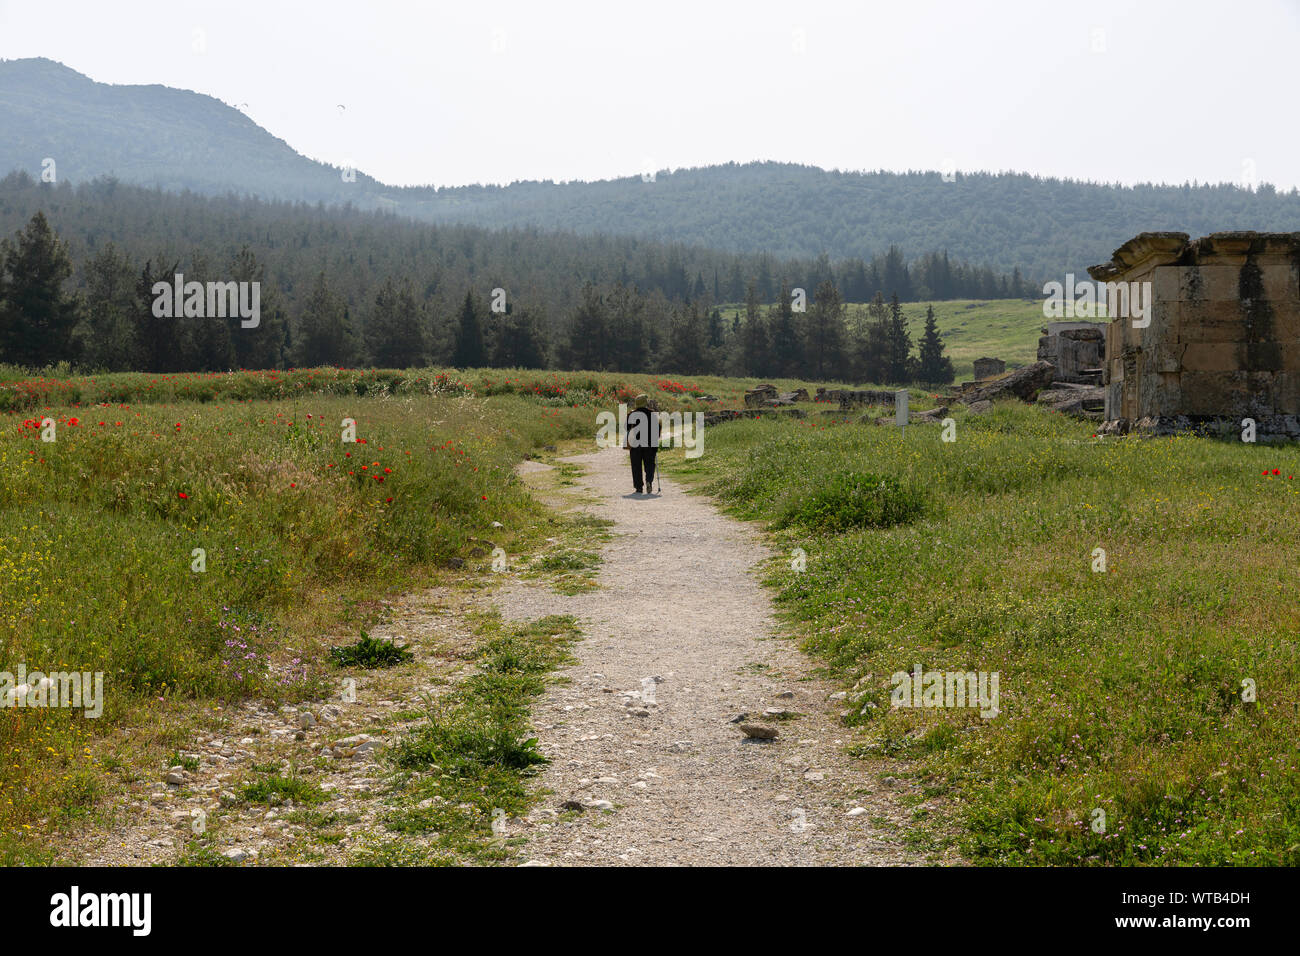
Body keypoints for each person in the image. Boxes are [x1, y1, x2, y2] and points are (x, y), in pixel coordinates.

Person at [626, 394, 658, 494]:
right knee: (649, 464)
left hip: (635, 444)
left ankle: (639, 487)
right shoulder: (651, 414)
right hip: (649, 443)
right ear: (645, 402)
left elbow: (627, 428)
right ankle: (649, 481)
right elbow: (657, 429)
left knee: (636, 465)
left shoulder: (631, 414)